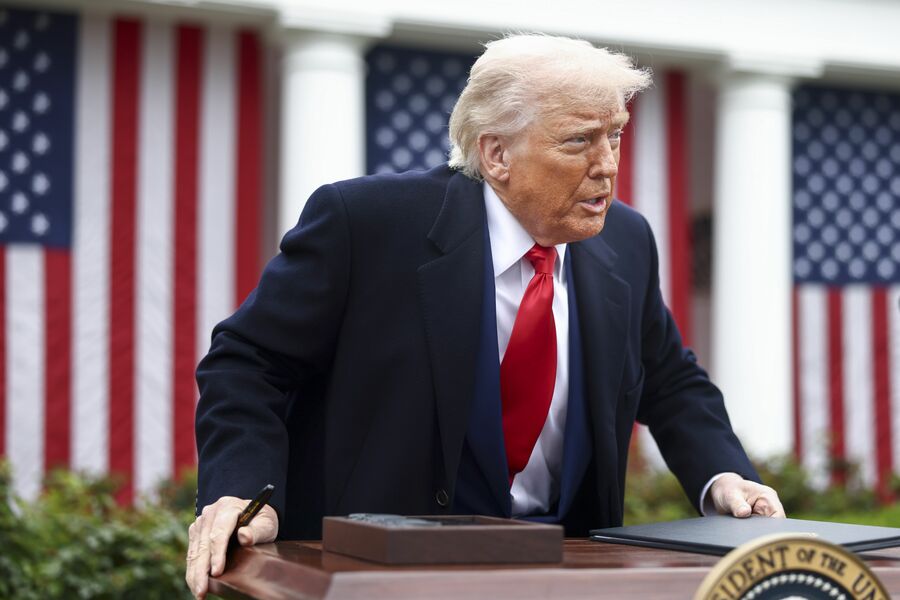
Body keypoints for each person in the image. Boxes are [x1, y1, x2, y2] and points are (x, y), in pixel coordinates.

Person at [184, 33, 784, 598]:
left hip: (569, 576)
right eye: (579, 141)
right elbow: (248, 363)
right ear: (497, 154)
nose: (607, 165)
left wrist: (723, 476)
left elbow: (670, 380)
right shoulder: (366, 223)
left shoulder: (626, 240)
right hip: (378, 574)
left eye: (616, 135)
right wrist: (244, 492)